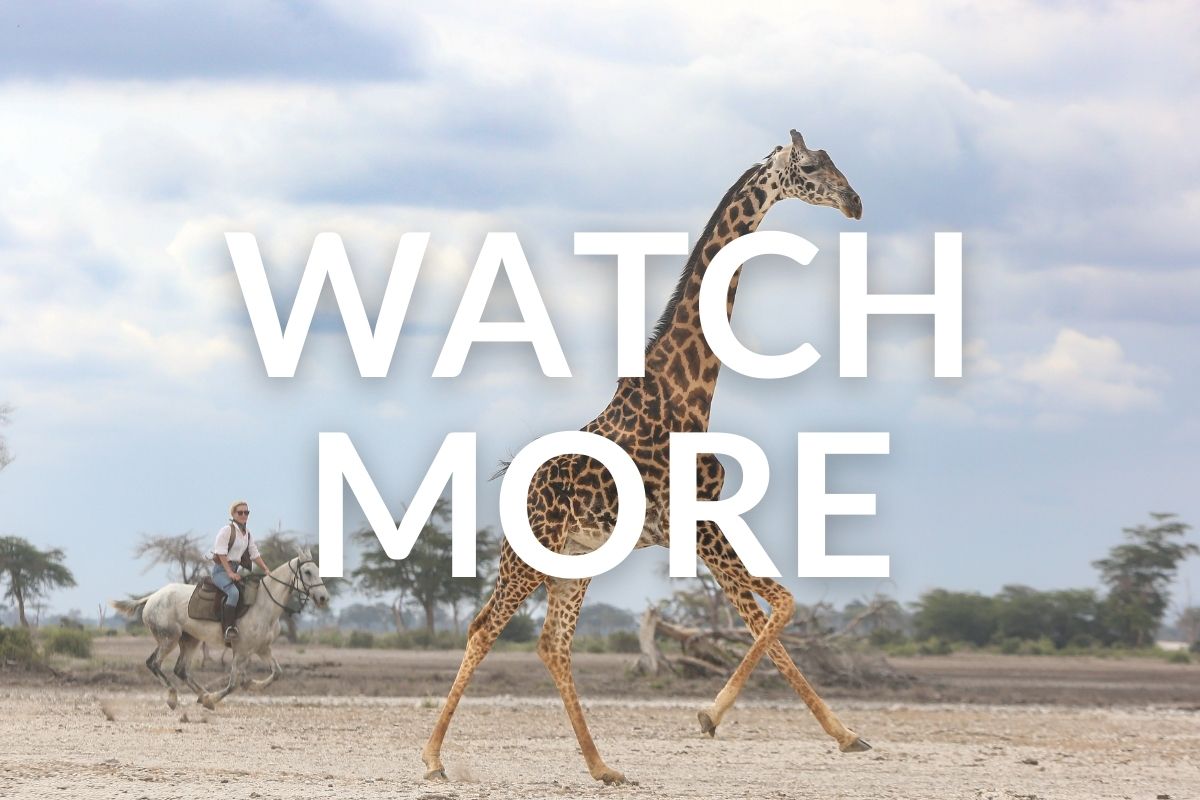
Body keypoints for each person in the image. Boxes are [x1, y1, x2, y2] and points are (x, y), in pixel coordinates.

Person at [208, 500, 270, 644]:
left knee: (249, 591)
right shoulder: (226, 530)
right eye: (240, 512)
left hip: (235, 570)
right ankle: (229, 629)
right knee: (234, 593)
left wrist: (266, 569)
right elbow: (221, 553)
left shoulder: (247, 533)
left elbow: (254, 553)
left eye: (246, 512)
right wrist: (229, 573)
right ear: (233, 514)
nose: (244, 515)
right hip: (220, 572)